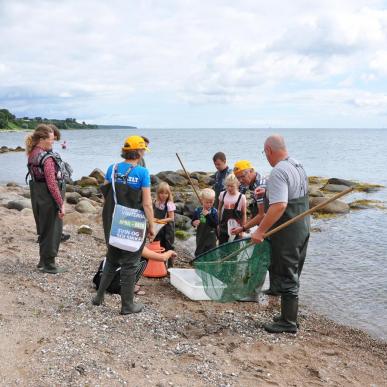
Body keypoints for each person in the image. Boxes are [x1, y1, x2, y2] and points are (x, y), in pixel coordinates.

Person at [250, 135, 310, 333]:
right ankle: (288, 315)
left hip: (288, 230)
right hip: (302, 226)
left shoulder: (278, 171)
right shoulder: (297, 164)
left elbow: (279, 205)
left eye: (264, 152)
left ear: (268, 150)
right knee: (293, 271)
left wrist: (260, 230)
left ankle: (288, 323)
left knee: (287, 273)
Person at [92, 135, 155, 315]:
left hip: (113, 220)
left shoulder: (113, 168)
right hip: (133, 222)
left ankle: (99, 297)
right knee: (130, 263)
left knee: (111, 259)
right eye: (143, 150)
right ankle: (127, 305)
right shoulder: (142, 172)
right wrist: (152, 225)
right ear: (139, 151)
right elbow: (147, 204)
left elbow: (105, 191)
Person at [26, 124, 67, 274]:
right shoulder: (47, 158)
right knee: (53, 231)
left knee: (43, 229)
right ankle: (49, 265)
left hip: (37, 195)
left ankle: (42, 261)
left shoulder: (32, 153)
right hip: (49, 198)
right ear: (42, 139)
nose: (53, 142)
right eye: (51, 140)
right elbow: (51, 183)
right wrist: (60, 204)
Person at [93, 247, 177, 295]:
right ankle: (128, 287)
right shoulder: (136, 244)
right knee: (144, 258)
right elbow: (162, 258)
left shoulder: (119, 237)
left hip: (99, 280)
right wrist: (170, 252)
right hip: (113, 286)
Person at [217, 174, 247, 244]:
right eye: (228, 186)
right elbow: (219, 210)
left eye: (232, 186)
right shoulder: (222, 194)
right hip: (223, 226)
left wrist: (243, 230)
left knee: (235, 250)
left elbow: (244, 214)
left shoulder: (242, 197)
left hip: (237, 228)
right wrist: (217, 224)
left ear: (237, 185)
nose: (229, 188)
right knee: (222, 249)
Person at [192, 188, 218, 257]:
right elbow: (193, 221)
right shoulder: (197, 210)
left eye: (211, 202)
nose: (209, 204)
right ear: (202, 200)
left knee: (211, 254)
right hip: (200, 236)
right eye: (207, 202)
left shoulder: (214, 211)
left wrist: (208, 215)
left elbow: (215, 224)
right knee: (200, 253)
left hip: (211, 237)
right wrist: (194, 223)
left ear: (214, 200)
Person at [153, 182, 176, 263]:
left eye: (166, 193)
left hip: (168, 229)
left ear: (169, 194)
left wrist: (160, 220)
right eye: (161, 193)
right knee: (158, 244)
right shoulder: (156, 202)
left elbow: (171, 218)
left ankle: (170, 266)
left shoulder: (169, 204)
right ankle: (159, 264)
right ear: (158, 193)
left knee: (168, 245)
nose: (164, 195)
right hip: (158, 228)